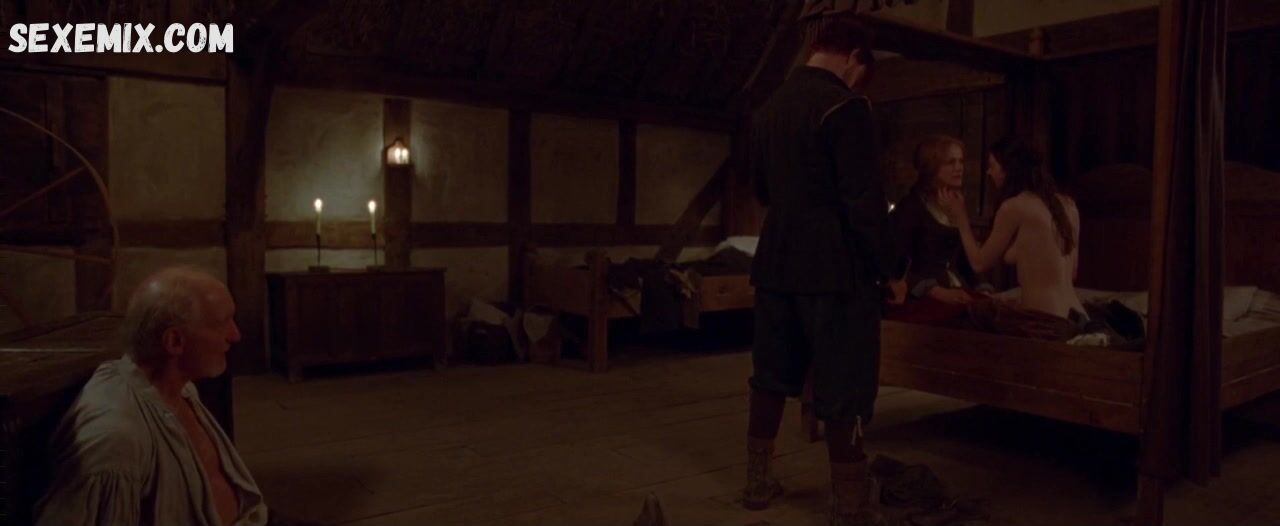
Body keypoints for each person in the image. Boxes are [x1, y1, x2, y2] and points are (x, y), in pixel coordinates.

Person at [746, 13, 889, 525]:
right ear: (854, 58)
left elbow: (762, 190)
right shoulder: (846, 107)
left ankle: (757, 482)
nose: (859, 82)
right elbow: (863, 203)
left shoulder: (767, 109)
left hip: (776, 259)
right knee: (845, 379)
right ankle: (849, 505)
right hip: (834, 266)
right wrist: (886, 267)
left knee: (769, 374)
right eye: (861, 73)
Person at [35, 266, 312, 526]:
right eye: (222, 323)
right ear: (175, 341)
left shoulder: (180, 387)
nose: (235, 335)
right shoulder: (116, 440)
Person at [937, 137, 1091, 341]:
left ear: (1008, 169)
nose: (988, 172)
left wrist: (961, 218)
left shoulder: (1015, 206)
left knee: (962, 325)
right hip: (1078, 318)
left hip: (1046, 323)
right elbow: (1071, 272)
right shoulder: (1068, 204)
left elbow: (979, 263)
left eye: (992, 166)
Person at [884, 135, 994, 324]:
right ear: (932, 167)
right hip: (920, 299)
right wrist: (933, 290)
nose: (959, 167)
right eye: (951, 162)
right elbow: (894, 262)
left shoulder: (955, 204)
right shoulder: (911, 208)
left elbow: (964, 259)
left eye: (961, 161)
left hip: (954, 290)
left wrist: (982, 287)